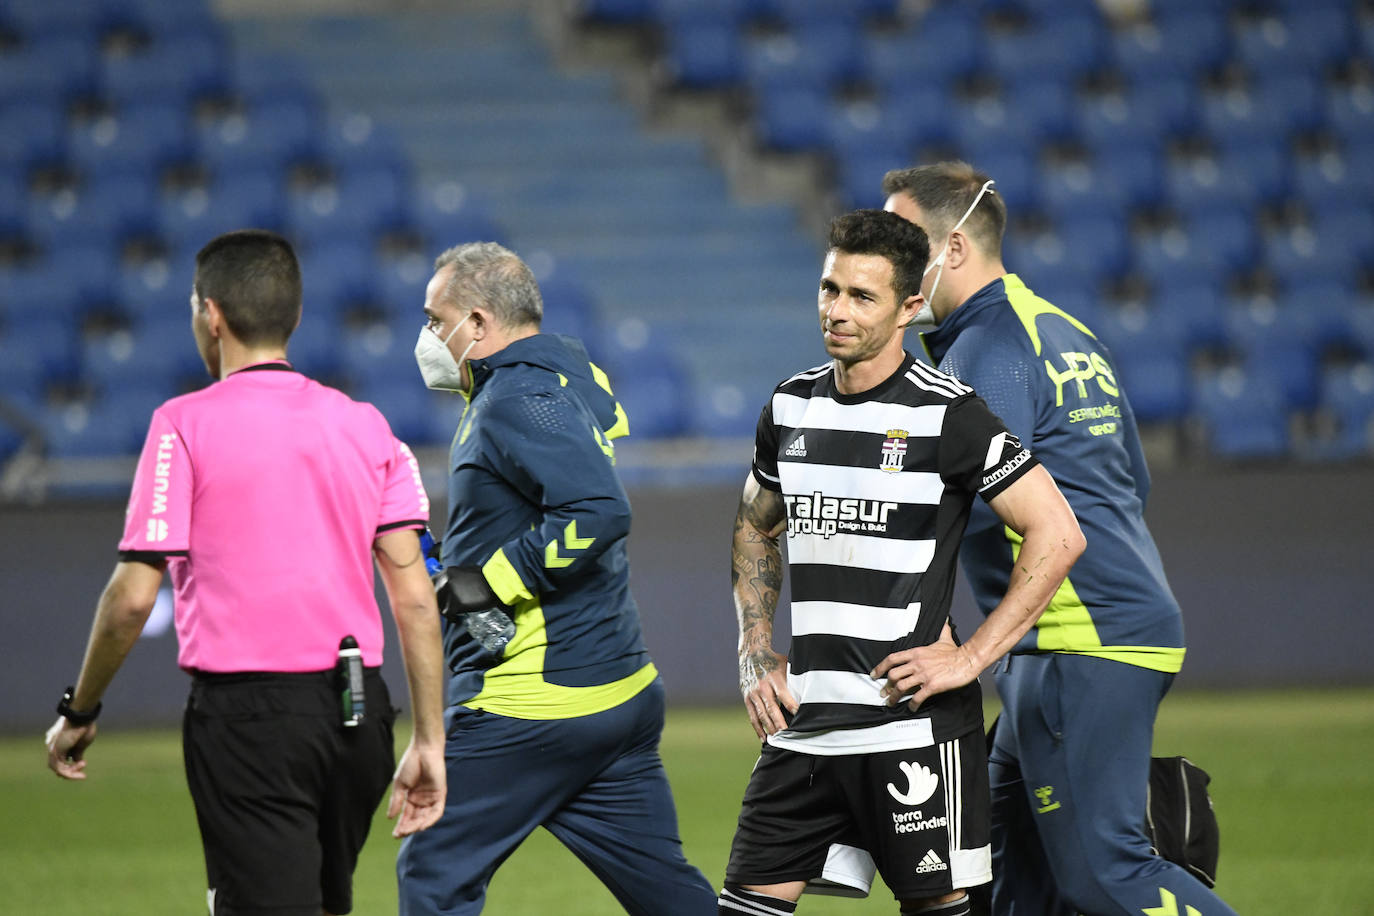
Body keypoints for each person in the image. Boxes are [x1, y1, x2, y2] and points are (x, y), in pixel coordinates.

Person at [44, 229, 448, 916]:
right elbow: (414, 600)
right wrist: (431, 741)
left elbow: (132, 600)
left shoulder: (181, 425)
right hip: (359, 719)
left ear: (212, 315)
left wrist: (80, 710)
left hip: (248, 719)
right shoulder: (367, 426)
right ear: (291, 316)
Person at [882, 161, 1240, 916]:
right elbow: (1130, 481)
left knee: (1106, 874)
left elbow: (980, 506)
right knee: (1013, 882)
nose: (887, 258)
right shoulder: (1060, 330)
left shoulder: (986, 352)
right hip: (1089, 634)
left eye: (902, 239)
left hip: (1080, 642)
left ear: (951, 249)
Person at [721, 209, 1085, 916]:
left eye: (862, 296)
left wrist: (972, 657)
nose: (836, 311)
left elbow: (1058, 532)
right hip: (805, 732)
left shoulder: (950, 414)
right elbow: (755, 525)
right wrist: (754, 647)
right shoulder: (790, 406)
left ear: (910, 307)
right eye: (830, 289)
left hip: (912, 732)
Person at [396, 241, 717, 916]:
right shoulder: (567, 375)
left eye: (435, 318)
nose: (427, 335)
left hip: (534, 700)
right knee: (668, 895)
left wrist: (487, 584)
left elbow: (597, 509)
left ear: (479, 324)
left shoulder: (518, 395)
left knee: (434, 871)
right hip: (617, 689)